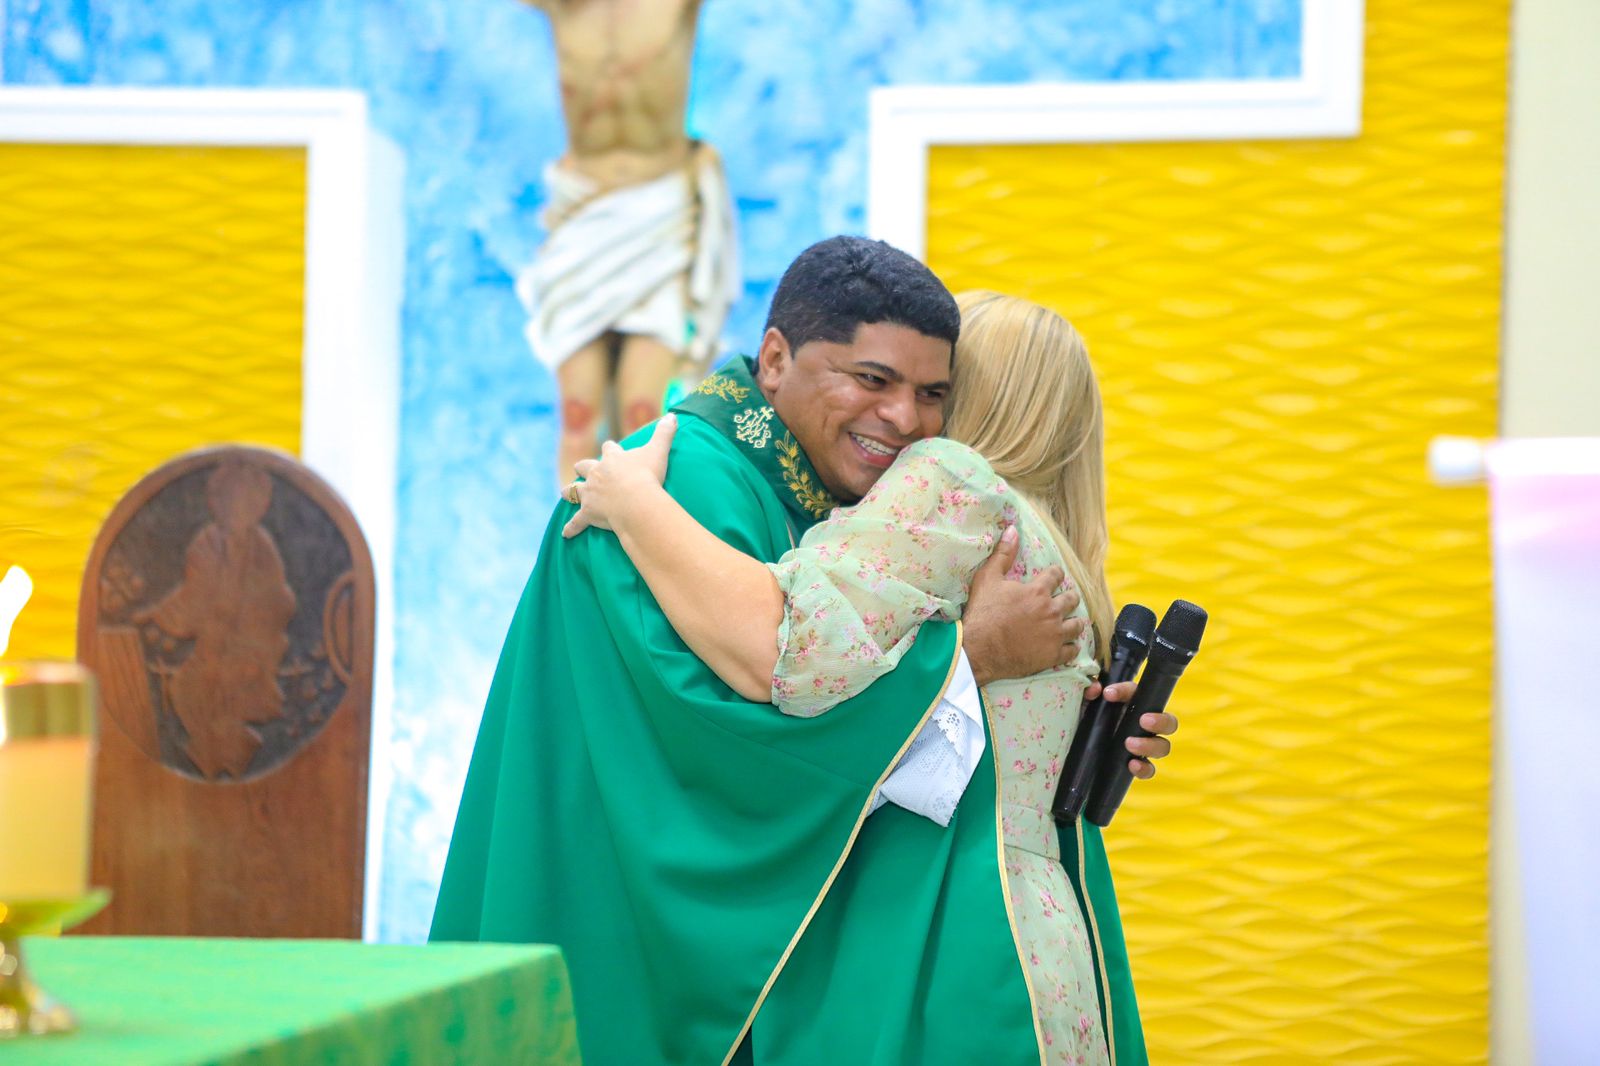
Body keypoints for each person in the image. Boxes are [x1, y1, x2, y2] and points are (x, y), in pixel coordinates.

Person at [431, 238, 1173, 1065]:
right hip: (630, 920)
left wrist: (1075, 732)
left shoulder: (858, 494)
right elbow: (739, 733)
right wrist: (971, 661)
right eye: (871, 380)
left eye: (936, 394)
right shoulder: (684, 480)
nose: (906, 420)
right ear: (776, 358)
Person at [516, 0, 740, 484]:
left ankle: (637, 551)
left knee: (642, 415)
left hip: (658, 217)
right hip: (583, 219)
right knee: (578, 416)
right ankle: (571, 554)